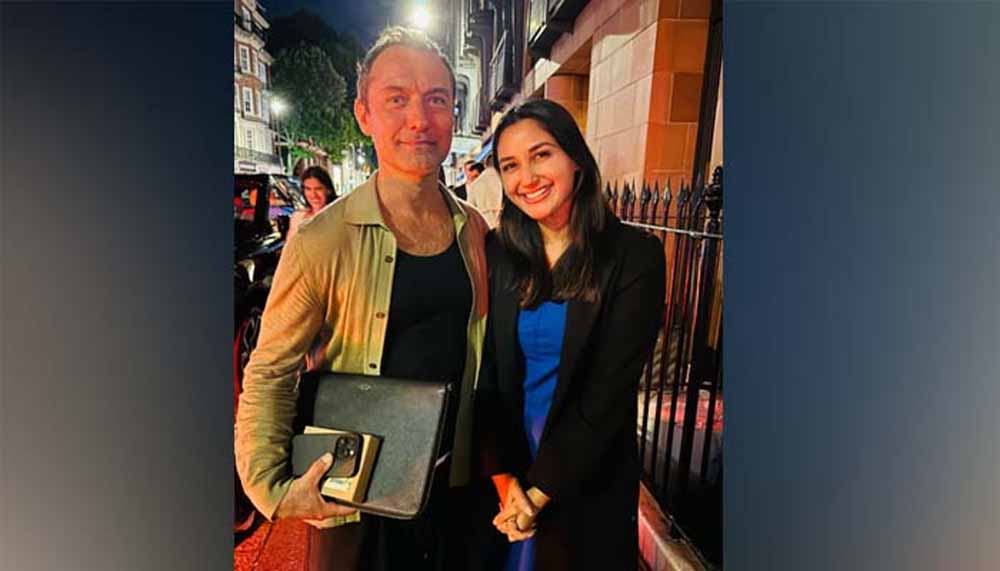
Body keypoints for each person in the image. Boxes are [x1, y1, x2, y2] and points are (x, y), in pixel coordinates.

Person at [235, 26, 490, 571]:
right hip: (356, 502)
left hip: (451, 496)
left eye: (436, 99)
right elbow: (271, 368)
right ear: (364, 115)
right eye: (396, 99)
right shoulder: (323, 238)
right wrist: (271, 489)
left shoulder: (474, 230)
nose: (419, 119)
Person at [476, 99, 666, 570]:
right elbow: (487, 373)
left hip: (586, 469)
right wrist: (505, 482)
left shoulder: (634, 256)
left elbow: (607, 392)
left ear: (575, 159)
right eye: (510, 165)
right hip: (511, 472)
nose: (527, 177)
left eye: (541, 155)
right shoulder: (498, 251)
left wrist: (536, 497)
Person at [287, 166, 335, 241]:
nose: (313, 195)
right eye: (308, 189)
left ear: (328, 190)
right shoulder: (297, 218)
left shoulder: (338, 217)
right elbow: (289, 246)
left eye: (318, 189)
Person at [466, 156, 504, 229]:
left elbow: (469, 209)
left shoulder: (475, 184)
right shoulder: (503, 179)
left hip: (484, 224)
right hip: (503, 222)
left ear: (485, 165)